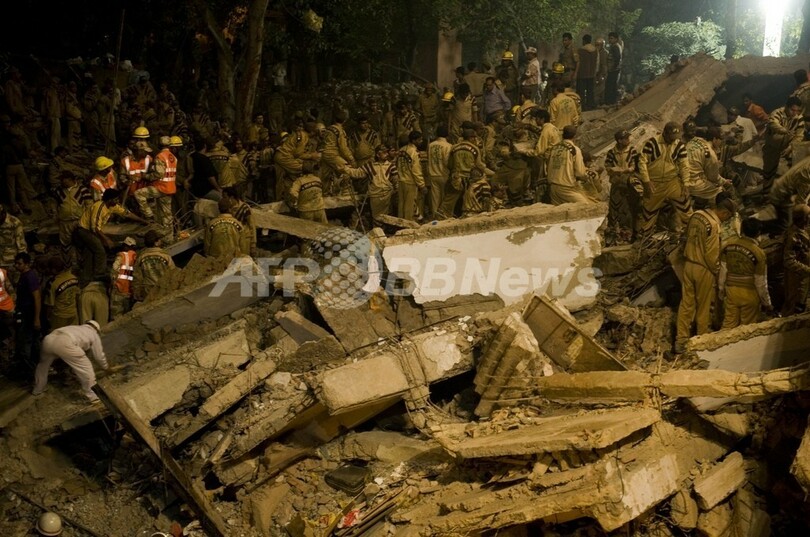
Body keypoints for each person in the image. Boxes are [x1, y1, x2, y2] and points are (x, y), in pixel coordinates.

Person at [674, 197, 736, 353]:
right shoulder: (713, 225)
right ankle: (701, 340)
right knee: (704, 306)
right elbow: (711, 255)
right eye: (728, 216)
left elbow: (685, 237)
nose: (726, 220)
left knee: (686, 304)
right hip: (703, 269)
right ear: (724, 212)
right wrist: (717, 271)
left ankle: (681, 340)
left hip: (688, 265)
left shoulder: (696, 215)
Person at [74, 189, 149, 287]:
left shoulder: (112, 206)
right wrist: (107, 239)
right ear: (109, 200)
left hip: (91, 231)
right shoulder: (99, 207)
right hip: (84, 231)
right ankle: (99, 274)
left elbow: (127, 213)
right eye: (116, 199)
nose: (117, 201)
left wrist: (143, 221)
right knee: (100, 250)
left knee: (90, 252)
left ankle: (86, 278)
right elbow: (95, 228)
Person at [636, 122, 692, 236]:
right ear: (665, 133)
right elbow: (642, 162)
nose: (673, 140)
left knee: (685, 210)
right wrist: (646, 181)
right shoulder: (651, 143)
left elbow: (684, 165)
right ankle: (645, 237)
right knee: (648, 213)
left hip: (672, 182)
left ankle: (692, 232)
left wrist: (686, 184)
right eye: (671, 137)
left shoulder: (679, 145)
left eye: (675, 137)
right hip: (654, 183)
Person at [33, 320, 109, 402]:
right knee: (86, 369)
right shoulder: (94, 334)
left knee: (42, 366)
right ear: (97, 330)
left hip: (48, 339)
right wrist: (105, 367)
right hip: (65, 342)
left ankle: (38, 389)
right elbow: (99, 356)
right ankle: (93, 396)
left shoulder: (75, 328)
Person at [719, 218, 773, 329]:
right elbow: (761, 282)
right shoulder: (759, 253)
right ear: (758, 233)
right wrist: (767, 303)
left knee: (728, 325)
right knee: (746, 329)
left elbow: (723, 270)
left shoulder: (728, 246)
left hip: (731, 291)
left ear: (742, 230)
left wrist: (721, 289)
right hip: (750, 294)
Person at [605, 129, 641, 242]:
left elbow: (635, 166)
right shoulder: (611, 152)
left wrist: (626, 170)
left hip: (629, 183)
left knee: (629, 208)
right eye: (625, 138)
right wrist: (612, 170)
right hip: (616, 184)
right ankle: (615, 232)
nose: (628, 140)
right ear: (619, 141)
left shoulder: (632, 151)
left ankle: (629, 233)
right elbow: (607, 166)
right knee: (614, 208)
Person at [762, 96, 804, 190]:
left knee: (793, 169)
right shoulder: (777, 113)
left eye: (797, 110)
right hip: (772, 146)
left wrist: (790, 147)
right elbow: (773, 123)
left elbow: (799, 136)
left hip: (788, 146)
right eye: (792, 110)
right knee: (768, 171)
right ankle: (766, 192)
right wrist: (784, 130)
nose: (795, 113)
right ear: (786, 107)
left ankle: (787, 191)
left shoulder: (799, 118)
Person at [545, 125, 594, 205]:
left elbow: (548, 166)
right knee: (586, 205)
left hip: (552, 188)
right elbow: (580, 173)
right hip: (566, 188)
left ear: (563, 134)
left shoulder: (554, 148)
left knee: (559, 210)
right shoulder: (575, 150)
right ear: (574, 136)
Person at [13, 252, 41, 370]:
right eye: (16, 263)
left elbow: (37, 297)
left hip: (29, 314)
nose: (16, 266)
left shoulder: (30, 277)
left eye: (19, 264)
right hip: (24, 312)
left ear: (27, 264)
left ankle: (31, 369)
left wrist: (36, 318)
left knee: (27, 342)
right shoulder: (24, 276)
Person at [781, 204, 810, 316]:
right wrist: (807, 270)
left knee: (800, 306)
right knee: (794, 309)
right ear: (805, 218)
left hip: (803, 279)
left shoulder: (801, 231)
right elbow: (789, 261)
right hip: (796, 281)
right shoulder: (793, 236)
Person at [132, 230, 175, 303]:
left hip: (148, 291)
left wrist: (137, 292)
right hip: (163, 288)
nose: (161, 241)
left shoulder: (141, 257)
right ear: (156, 242)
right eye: (159, 240)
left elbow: (136, 277)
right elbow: (173, 272)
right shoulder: (165, 256)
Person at [397, 131, 426, 221]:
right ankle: (408, 225)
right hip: (410, 182)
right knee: (409, 206)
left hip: (400, 180)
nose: (421, 141)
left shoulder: (401, 150)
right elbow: (416, 170)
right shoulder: (414, 152)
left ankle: (400, 223)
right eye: (419, 140)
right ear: (414, 140)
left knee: (401, 205)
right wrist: (421, 185)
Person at [45, 256, 79, 331]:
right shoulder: (73, 278)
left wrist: (47, 317)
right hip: (73, 314)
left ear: (53, 270)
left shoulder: (53, 283)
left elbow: (50, 304)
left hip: (59, 316)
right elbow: (77, 296)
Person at [426, 125, 453, 216]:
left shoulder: (430, 145)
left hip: (433, 174)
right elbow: (446, 161)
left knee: (435, 199)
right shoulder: (448, 146)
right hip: (444, 174)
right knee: (444, 198)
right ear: (447, 135)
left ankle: (435, 217)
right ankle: (444, 217)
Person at [222, 187, 256, 257]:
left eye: (225, 197)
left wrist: (253, 245)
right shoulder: (226, 209)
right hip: (232, 241)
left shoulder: (245, 208)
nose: (223, 199)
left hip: (245, 240)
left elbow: (252, 226)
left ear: (231, 197)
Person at [109, 238, 137, 319]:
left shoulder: (122, 255)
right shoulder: (136, 257)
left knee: (116, 315)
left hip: (119, 288)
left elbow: (114, 269)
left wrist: (112, 283)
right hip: (129, 290)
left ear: (126, 246)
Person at [576, 35, 598, 110]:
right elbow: (597, 63)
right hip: (592, 74)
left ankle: (582, 106)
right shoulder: (595, 50)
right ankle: (591, 105)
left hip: (582, 74)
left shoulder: (580, 50)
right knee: (590, 91)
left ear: (584, 41)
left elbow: (578, 62)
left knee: (581, 91)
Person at [605, 32, 622, 105]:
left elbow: (617, 58)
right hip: (614, 69)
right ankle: (612, 101)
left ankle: (610, 102)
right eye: (609, 38)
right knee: (612, 85)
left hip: (613, 70)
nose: (610, 40)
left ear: (616, 39)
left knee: (610, 85)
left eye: (611, 38)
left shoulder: (615, 47)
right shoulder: (616, 46)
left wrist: (613, 67)